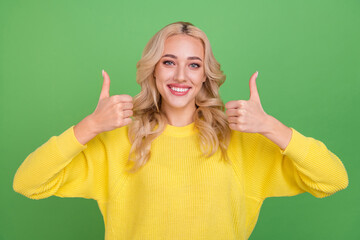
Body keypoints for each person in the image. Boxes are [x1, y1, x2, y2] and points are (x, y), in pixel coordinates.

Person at [13, 21, 349, 240]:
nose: (180, 77)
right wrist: (90, 126)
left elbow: (334, 179)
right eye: (169, 62)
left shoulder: (237, 141)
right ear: (153, 70)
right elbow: (28, 183)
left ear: (205, 75)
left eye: (194, 65)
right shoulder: (120, 140)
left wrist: (271, 128)